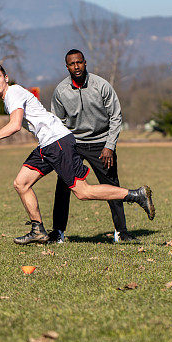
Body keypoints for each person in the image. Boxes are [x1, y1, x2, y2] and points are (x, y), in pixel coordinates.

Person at [0, 62, 155, 245]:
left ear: (5, 78)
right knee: (21, 183)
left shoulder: (13, 93)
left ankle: (135, 195)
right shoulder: (9, 98)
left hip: (57, 142)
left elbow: (15, 125)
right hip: (47, 144)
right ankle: (38, 230)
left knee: (83, 192)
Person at [49, 49, 146, 244]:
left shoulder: (101, 85)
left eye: (79, 62)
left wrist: (109, 146)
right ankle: (58, 232)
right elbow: (56, 121)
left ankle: (121, 232)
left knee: (112, 186)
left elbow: (116, 116)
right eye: (71, 64)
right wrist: (61, 149)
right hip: (72, 144)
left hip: (101, 144)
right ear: (66, 67)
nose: (76, 67)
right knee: (63, 188)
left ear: (85, 63)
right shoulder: (61, 91)